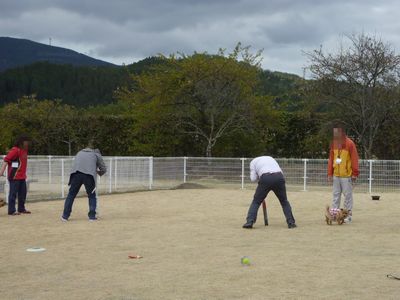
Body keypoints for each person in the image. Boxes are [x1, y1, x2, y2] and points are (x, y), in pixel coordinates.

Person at [243, 156, 296, 229]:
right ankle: (291, 222)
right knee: (284, 201)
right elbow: (281, 172)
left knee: (256, 201)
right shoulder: (271, 158)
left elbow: (253, 179)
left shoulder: (253, 162)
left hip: (265, 178)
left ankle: (249, 222)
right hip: (279, 177)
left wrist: (259, 176)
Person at [61, 141, 107, 221]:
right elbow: (103, 168)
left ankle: (65, 216)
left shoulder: (79, 153)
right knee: (92, 196)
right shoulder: (96, 154)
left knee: (71, 195)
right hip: (88, 176)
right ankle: (92, 217)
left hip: (76, 174)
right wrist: (98, 172)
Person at [328, 124, 359, 223]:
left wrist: (355, 173)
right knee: (335, 196)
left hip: (346, 176)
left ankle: (348, 215)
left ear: (342, 132)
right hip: (336, 175)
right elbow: (331, 159)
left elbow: (354, 159)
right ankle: (334, 215)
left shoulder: (350, 144)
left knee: (347, 196)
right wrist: (330, 173)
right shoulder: (334, 143)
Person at [0, 136, 31, 215]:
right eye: (26, 141)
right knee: (13, 194)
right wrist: (1, 171)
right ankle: (12, 210)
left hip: (22, 176)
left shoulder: (25, 150)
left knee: (23, 193)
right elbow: (6, 160)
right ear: (21, 142)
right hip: (14, 176)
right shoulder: (15, 150)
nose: (28, 143)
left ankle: (21, 209)